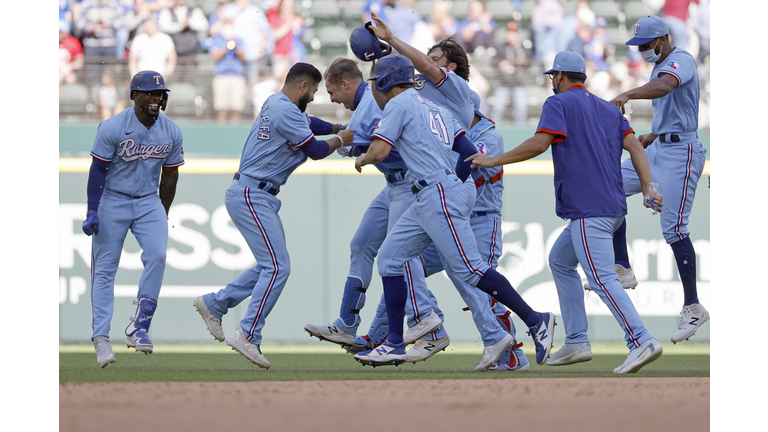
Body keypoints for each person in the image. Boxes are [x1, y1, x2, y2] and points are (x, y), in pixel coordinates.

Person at [467, 50, 665, 374]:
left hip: (590, 210)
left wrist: (493, 159)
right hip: (613, 209)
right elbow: (636, 148)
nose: (551, 81)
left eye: (552, 76)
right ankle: (576, 340)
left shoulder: (557, 103)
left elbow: (539, 144)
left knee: (602, 279)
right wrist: (648, 188)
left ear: (559, 76)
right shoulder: (608, 108)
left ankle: (641, 340)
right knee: (560, 261)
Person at [351, 54, 556, 367]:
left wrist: (363, 158)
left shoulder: (398, 104)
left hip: (435, 191)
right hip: (432, 192)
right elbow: (468, 151)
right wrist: (453, 184)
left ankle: (536, 319)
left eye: (375, 82)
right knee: (390, 260)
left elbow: (380, 150)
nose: (373, 88)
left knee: (471, 270)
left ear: (384, 82)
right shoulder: (435, 106)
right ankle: (393, 342)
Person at [192, 63, 354, 369]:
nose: (314, 97)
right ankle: (247, 333)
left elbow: (311, 123)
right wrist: (343, 138)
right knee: (278, 267)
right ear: (303, 86)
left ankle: (215, 303)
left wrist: (335, 128)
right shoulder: (285, 111)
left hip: (256, 193)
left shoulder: (277, 102)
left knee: (270, 266)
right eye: (313, 91)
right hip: (252, 193)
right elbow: (316, 151)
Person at [605, 16, 709, 344]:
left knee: (674, 229)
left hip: (682, 152)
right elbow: (672, 106)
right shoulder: (660, 66)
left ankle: (693, 306)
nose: (643, 51)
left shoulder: (682, 59)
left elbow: (666, 86)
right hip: (660, 146)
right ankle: (622, 265)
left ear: (663, 39)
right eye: (639, 46)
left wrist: (627, 94)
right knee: (609, 186)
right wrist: (654, 134)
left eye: (647, 44)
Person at [83, 70, 184, 368]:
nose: (156, 98)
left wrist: (162, 212)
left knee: (158, 255)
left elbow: (171, 174)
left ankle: (139, 327)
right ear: (134, 95)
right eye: (150, 93)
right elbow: (98, 170)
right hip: (112, 199)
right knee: (105, 269)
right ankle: (101, 338)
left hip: (148, 200)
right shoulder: (113, 127)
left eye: (160, 93)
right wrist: (92, 208)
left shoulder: (171, 130)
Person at [491, 21, 533, 124]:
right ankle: (492, 130)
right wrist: (501, 63)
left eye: (513, 33)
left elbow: (530, 62)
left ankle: (521, 132)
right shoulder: (501, 47)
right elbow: (493, 62)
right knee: (498, 109)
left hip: (518, 83)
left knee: (521, 109)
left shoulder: (523, 48)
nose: (511, 35)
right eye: (509, 32)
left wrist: (523, 62)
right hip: (503, 83)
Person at [208, 26, 247, 123]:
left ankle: (234, 131)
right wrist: (226, 46)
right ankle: (220, 131)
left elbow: (243, 57)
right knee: (222, 108)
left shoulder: (239, 40)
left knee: (236, 108)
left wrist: (235, 46)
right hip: (221, 76)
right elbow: (215, 57)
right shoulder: (217, 39)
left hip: (237, 76)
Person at [59, 19, 85, 85]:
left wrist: (70, 67)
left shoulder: (73, 42)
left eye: (60, 32)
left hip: (67, 71)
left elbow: (80, 61)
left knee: (70, 79)